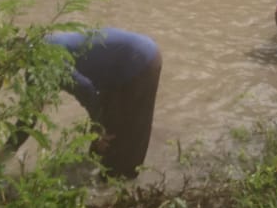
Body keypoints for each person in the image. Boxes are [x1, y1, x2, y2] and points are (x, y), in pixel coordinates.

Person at [9, 28, 162, 180]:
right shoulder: (34, 67)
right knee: (98, 153)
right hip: (116, 69)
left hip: (140, 61)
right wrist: (5, 153)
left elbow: (86, 89)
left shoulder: (48, 58)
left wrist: (98, 127)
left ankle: (121, 187)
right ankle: (100, 183)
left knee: (122, 147)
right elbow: (28, 118)